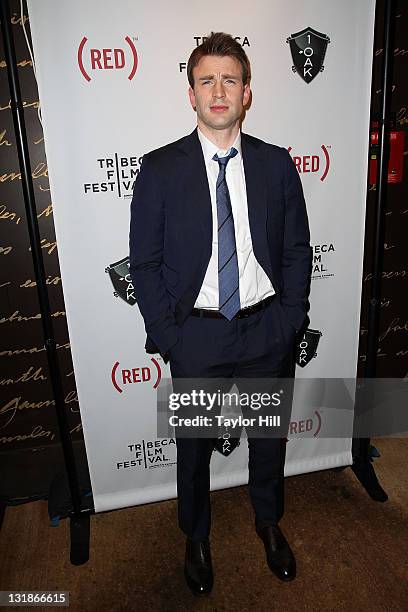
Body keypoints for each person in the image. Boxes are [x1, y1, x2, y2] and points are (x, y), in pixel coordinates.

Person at [129, 32, 311, 596]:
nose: (218, 90)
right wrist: (169, 337)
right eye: (206, 80)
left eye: (229, 79)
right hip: (197, 338)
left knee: (267, 441)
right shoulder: (160, 169)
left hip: (265, 329)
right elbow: (145, 261)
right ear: (191, 93)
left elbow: (296, 250)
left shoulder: (277, 165)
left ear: (247, 92)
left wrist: (289, 322)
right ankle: (195, 536)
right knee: (192, 449)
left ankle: (268, 522)